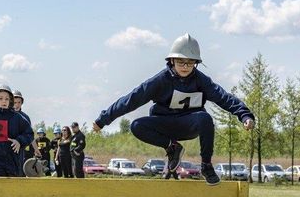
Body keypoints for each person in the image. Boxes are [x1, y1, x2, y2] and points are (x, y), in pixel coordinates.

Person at [93, 33, 255, 185]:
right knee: (136, 126)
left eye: (190, 63)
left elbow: (223, 97)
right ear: (171, 61)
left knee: (205, 118)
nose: (185, 67)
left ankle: (206, 165)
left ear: (196, 63)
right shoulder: (160, 81)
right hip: (166, 125)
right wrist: (104, 119)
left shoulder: (201, 80)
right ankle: (172, 147)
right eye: (180, 62)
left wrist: (244, 115)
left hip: (189, 125)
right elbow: (132, 99)